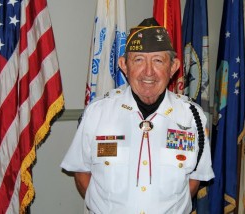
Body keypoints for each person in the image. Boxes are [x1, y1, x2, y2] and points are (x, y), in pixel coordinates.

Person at [61, 17, 214, 214]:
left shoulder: (193, 117)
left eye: (158, 60)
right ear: (124, 65)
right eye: (139, 60)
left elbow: (194, 178)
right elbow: (82, 172)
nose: (148, 72)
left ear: (174, 67)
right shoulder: (97, 113)